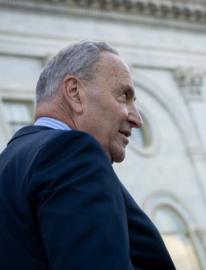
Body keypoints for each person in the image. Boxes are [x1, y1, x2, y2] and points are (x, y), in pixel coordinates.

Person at [0, 41, 176, 270]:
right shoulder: (73, 153)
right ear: (74, 92)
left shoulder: (10, 164)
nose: (137, 119)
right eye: (124, 96)